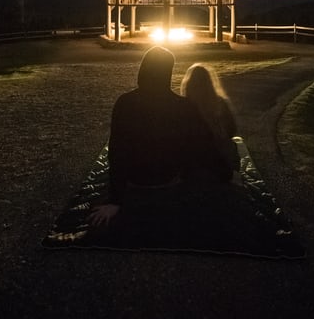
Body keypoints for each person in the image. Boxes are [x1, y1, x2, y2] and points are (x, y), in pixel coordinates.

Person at [89, 46, 232, 227]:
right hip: (168, 176)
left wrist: (115, 200)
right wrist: (224, 172)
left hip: (135, 178)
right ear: (168, 73)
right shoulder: (184, 106)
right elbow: (203, 144)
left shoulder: (125, 103)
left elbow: (118, 150)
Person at [180, 64, 241, 178]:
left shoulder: (183, 106)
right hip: (220, 164)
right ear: (210, 83)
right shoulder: (220, 103)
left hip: (192, 166)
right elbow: (231, 130)